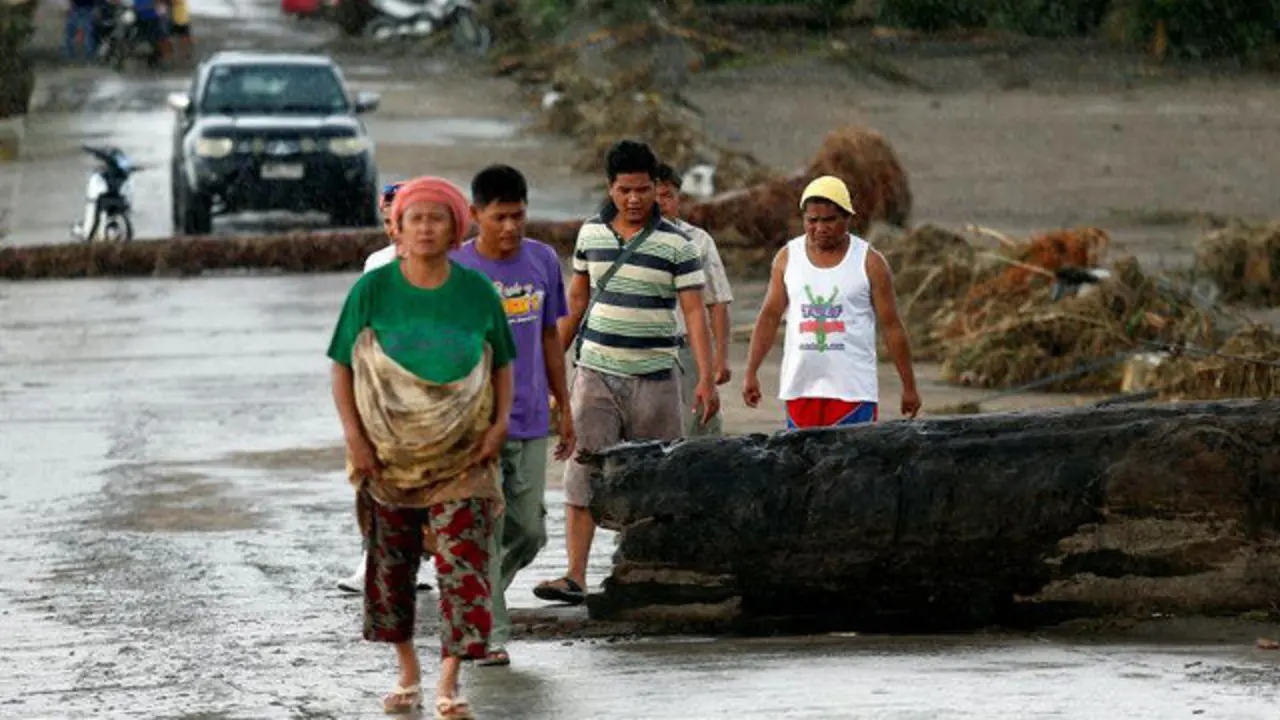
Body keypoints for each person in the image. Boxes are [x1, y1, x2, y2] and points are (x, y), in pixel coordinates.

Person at [327, 176, 516, 716]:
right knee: (391, 568)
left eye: (437, 219)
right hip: (388, 456)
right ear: (399, 229)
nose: (427, 229)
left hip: (465, 456)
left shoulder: (477, 291)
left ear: (456, 229)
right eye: (416, 219)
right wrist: (356, 438)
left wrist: (500, 424)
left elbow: (501, 362)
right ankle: (407, 668)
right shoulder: (371, 290)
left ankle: (449, 682)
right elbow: (342, 366)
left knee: (464, 566)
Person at [533, 139, 720, 606]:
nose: (633, 199)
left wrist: (706, 375)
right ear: (609, 188)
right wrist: (548, 374)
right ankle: (575, 576)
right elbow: (576, 302)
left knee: (658, 478)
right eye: (624, 190)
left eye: (642, 190)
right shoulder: (590, 235)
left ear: (656, 187)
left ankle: (645, 572)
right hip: (595, 373)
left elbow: (694, 312)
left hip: (657, 377)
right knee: (583, 471)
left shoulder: (678, 244)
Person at [451, 164, 575, 666]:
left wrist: (565, 404)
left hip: (531, 417)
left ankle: (471, 600)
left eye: (518, 216)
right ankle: (488, 634)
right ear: (475, 215)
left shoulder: (542, 260)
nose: (510, 227)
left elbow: (550, 336)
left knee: (530, 531)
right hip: (475, 424)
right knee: (489, 528)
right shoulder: (457, 270)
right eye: (499, 217)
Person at [742, 175, 922, 428]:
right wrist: (751, 372)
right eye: (812, 220)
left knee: (852, 455)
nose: (820, 228)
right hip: (801, 390)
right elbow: (769, 317)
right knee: (802, 455)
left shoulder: (870, 262)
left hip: (853, 392)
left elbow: (891, 326)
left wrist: (909, 386)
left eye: (829, 220)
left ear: (847, 219)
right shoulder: (787, 258)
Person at [338, 180, 434, 595]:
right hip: (382, 388)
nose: (393, 228)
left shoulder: (446, 264)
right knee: (374, 476)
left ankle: (418, 558)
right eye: (387, 220)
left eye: (400, 217)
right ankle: (372, 558)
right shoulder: (377, 263)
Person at [655, 162, 734, 437]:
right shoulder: (628, 240)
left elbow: (718, 300)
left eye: (667, 195)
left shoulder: (698, 241)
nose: (661, 203)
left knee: (699, 424)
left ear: (679, 198)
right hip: (644, 348)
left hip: (687, 347)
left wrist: (721, 358)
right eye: (654, 196)